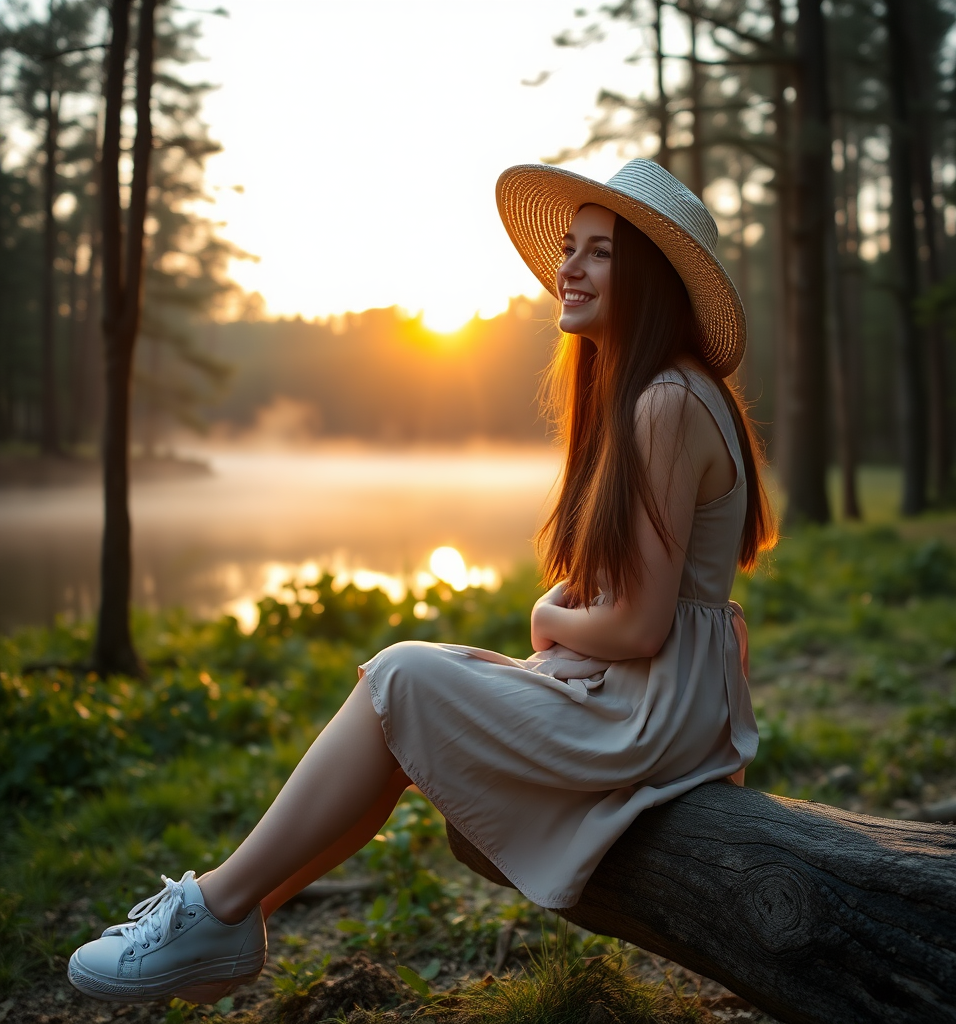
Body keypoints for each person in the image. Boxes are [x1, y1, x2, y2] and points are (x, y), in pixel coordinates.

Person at [67, 158, 777, 1004]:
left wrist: (547, 617)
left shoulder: (664, 401)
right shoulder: (660, 394)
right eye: (569, 247)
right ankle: (225, 915)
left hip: (651, 712)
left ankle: (213, 914)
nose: (569, 268)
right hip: (655, 697)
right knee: (406, 697)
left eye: (599, 253)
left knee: (404, 674)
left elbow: (636, 629)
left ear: (653, 278)